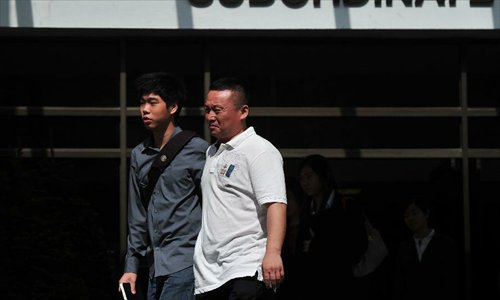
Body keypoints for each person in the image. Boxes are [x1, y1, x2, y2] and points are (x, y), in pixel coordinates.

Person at [193, 77, 287, 300]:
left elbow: (275, 203)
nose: (210, 116)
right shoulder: (212, 152)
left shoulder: (260, 150)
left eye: (217, 110)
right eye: (207, 110)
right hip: (209, 275)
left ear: (243, 112)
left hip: (245, 267)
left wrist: (273, 253)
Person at [119, 72, 209, 300]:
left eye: (152, 102)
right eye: (141, 103)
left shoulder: (197, 150)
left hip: (186, 262)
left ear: (172, 107)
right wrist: (131, 267)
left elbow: (214, 205)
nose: (144, 110)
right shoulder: (140, 154)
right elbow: (137, 215)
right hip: (154, 266)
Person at [296, 154, 367, 298]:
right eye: (302, 179)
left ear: (322, 176)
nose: (305, 183)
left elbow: (356, 245)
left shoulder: (345, 205)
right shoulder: (305, 210)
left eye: (309, 177)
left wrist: (317, 245)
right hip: (313, 285)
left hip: (341, 283)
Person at [391, 195, 459, 300]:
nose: (410, 218)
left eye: (414, 213)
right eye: (406, 215)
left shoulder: (445, 244)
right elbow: (399, 283)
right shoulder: (403, 248)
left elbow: (452, 281)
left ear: (426, 214)